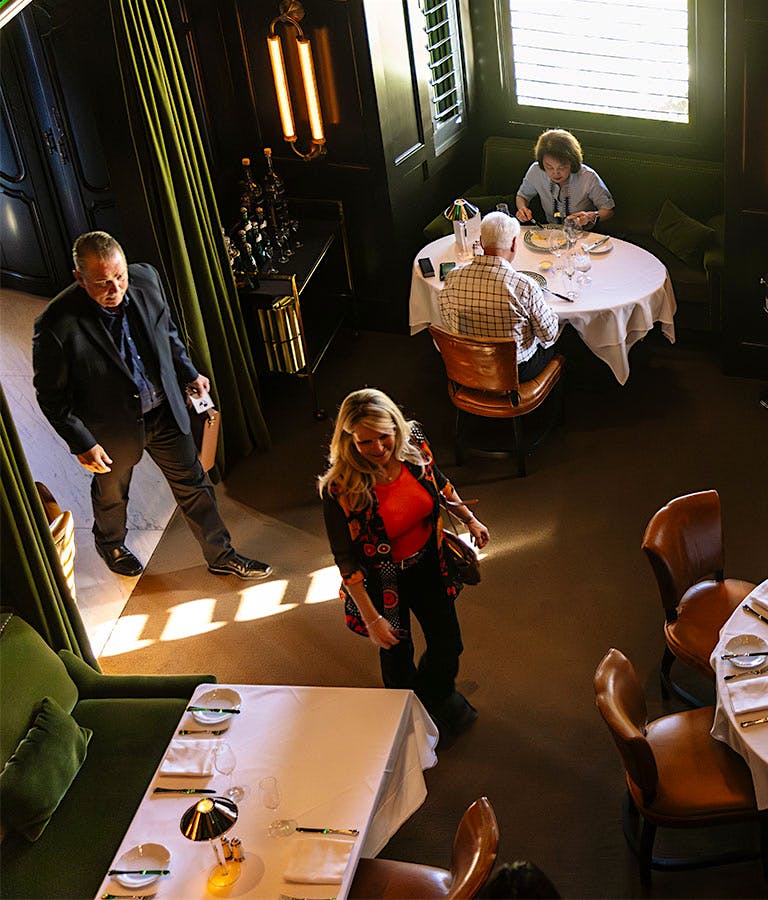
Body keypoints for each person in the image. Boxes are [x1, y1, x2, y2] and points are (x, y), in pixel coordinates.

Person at [32, 231, 271, 579]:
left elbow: (168, 333)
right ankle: (110, 543)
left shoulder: (147, 278)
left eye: (120, 277)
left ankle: (221, 555)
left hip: (164, 412)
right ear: (79, 279)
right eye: (103, 283)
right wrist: (83, 442)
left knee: (194, 486)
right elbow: (51, 397)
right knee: (112, 494)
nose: (115, 289)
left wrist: (189, 373)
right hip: (110, 428)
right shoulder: (55, 324)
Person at [319, 389, 489, 734]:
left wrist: (470, 518)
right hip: (383, 582)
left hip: (428, 563)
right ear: (349, 439)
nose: (378, 449)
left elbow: (440, 485)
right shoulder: (339, 488)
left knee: (448, 643)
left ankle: (429, 701)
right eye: (365, 442)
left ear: (396, 427)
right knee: (397, 655)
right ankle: (408, 721)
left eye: (384, 436)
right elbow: (346, 562)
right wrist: (372, 619)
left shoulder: (414, 446)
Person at [437, 211, 562, 381]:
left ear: (481, 242)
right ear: (513, 244)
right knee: (562, 340)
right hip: (515, 372)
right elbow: (548, 335)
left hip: (469, 365)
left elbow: (447, 321)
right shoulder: (524, 285)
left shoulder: (453, 277)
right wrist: (550, 312)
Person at [514, 128, 614, 229]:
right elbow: (522, 196)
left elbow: (608, 211)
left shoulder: (588, 176)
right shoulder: (536, 171)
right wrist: (522, 209)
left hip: (583, 234)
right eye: (549, 167)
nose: (555, 172)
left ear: (572, 162)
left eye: (562, 167)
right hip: (551, 232)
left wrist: (590, 217)